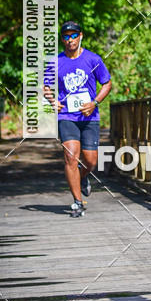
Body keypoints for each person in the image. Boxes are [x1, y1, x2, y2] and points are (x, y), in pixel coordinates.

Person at [44, 21, 112, 217]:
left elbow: (106, 84)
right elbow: (46, 87)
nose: (70, 39)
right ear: (62, 39)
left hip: (89, 116)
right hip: (66, 116)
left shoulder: (93, 59)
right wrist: (52, 101)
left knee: (90, 161)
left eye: (74, 35)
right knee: (71, 156)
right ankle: (77, 201)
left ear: (80, 36)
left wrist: (95, 102)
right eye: (66, 36)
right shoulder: (56, 62)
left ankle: (83, 177)